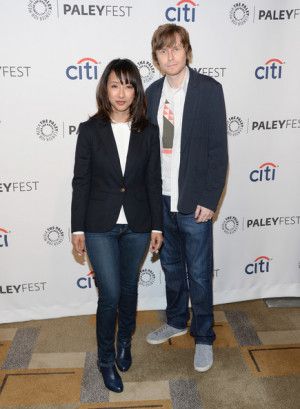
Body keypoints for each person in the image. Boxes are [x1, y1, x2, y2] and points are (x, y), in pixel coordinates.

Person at [71, 59, 163, 393]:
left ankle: (124, 342)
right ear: (104, 89)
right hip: (99, 225)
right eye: (114, 85)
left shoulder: (149, 131)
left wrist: (157, 226)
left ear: (136, 90)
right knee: (109, 294)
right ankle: (106, 360)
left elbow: (154, 181)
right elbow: (81, 182)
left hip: (138, 225)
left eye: (127, 85)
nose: (121, 93)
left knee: (129, 289)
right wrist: (77, 229)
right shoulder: (90, 130)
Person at [145, 24, 228, 372]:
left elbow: (217, 150)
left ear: (187, 52)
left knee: (198, 272)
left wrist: (211, 198)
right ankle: (177, 320)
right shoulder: (150, 94)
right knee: (171, 268)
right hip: (161, 200)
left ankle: (204, 335)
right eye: (164, 51)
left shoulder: (208, 90)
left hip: (194, 202)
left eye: (177, 49)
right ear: (156, 58)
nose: (171, 56)